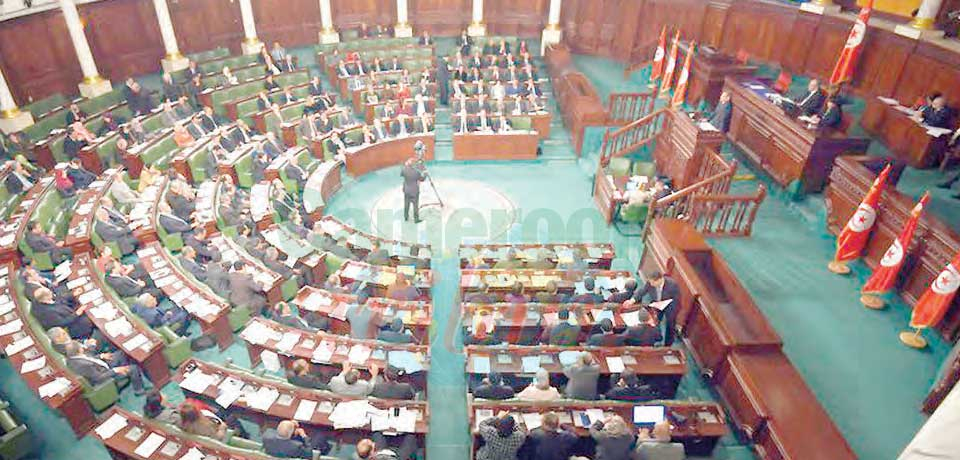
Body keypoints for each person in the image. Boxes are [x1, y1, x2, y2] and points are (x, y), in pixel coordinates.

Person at [64, 341, 145, 394]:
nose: (83, 348)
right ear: (79, 350)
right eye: (81, 347)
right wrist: (115, 370)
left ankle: (127, 374)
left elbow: (89, 358)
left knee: (120, 353)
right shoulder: (83, 365)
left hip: (101, 366)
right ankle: (139, 390)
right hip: (106, 376)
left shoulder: (71, 358)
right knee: (134, 368)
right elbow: (99, 378)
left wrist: (101, 356)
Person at [629, 271, 680, 346]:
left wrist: (671, 312)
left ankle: (667, 345)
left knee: (670, 325)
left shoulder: (672, 285)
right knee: (655, 320)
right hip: (657, 304)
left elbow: (676, 300)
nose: (651, 284)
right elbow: (642, 291)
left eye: (653, 283)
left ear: (660, 279)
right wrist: (632, 300)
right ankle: (656, 334)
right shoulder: (650, 282)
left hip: (670, 306)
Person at [401, 157, 425, 223]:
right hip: (414, 191)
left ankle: (406, 217)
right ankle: (416, 219)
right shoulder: (416, 172)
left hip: (406, 190)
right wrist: (424, 173)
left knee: (406, 204)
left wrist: (406, 166)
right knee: (415, 206)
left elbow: (402, 174)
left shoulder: (404, 170)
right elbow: (422, 179)